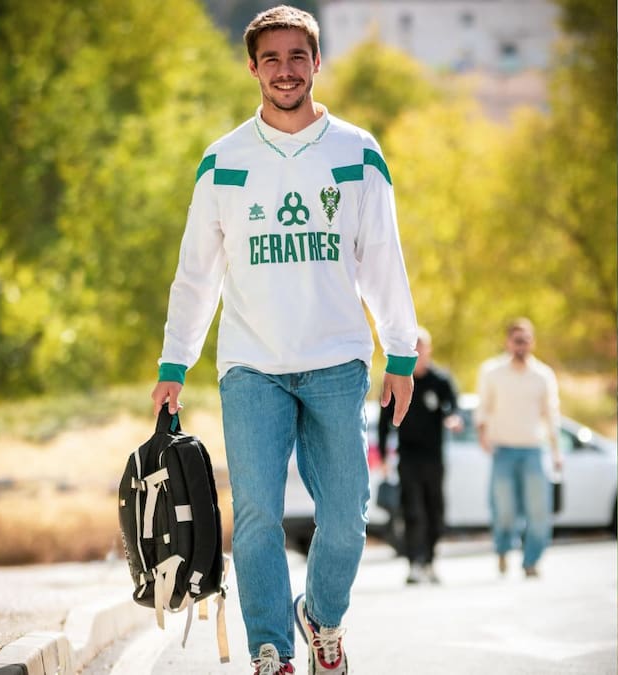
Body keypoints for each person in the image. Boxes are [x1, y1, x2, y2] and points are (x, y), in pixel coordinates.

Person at [150, 6, 418, 674]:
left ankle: (321, 617)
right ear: (252, 67)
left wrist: (400, 350)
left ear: (317, 62)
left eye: (298, 56)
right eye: (271, 58)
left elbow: (384, 258)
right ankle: (271, 648)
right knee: (258, 517)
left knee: (347, 518)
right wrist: (175, 361)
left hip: (337, 361)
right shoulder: (223, 160)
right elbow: (197, 273)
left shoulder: (357, 151)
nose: (285, 70)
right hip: (252, 366)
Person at [476, 318, 562, 577]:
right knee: (503, 509)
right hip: (503, 450)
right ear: (508, 342)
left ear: (532, 342)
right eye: (516, 341)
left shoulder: (543, 375)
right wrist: (483, 436)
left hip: (533, 450)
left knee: (538, 510)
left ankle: (531, 561)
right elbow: (483, 407)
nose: (521, 346)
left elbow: (551, 414)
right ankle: (503, 549)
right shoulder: (492, 372)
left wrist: (556, 451)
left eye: (525, 340)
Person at [379, 327, 461, 585]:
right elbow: (384, 420)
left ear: (428, 350)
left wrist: (454, 419)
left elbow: (453, 408)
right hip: (408, 458)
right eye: (413, 346)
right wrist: (383, 456)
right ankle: (414, 562)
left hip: (434, 459)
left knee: (435, 509)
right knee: (412, 510)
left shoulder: (440, 380)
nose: (417, 351)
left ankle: (431, 561)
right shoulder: (398, 380)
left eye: (421, 346)